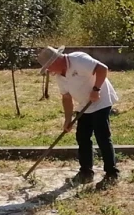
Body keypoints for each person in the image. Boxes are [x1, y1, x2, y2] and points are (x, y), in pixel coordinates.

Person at [37, 46, 119, 183]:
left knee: (102, 135)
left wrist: (96, 90)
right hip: (84, 105)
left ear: (55, 61)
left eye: (48, 67)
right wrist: (68, 120)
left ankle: (112, 173)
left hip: (100, 100)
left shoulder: (78, 59)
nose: (49, 71)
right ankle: (86, 172)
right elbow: (67, 97)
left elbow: (102, 69)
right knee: (82, 137)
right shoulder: (59, 77)